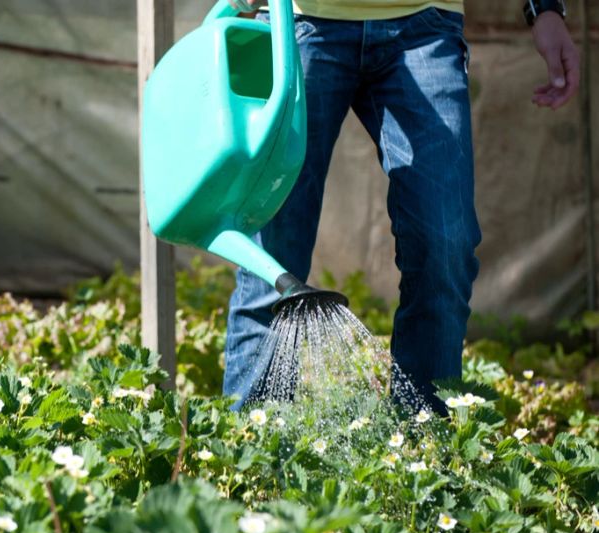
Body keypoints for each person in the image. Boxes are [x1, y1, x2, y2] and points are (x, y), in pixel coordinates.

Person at [223, 0, 580, 414]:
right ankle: (250, 454)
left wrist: (545, 8)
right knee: (269, 258)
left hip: (424, 25)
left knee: (445, 247)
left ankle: (421, 454)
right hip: (301, 22)